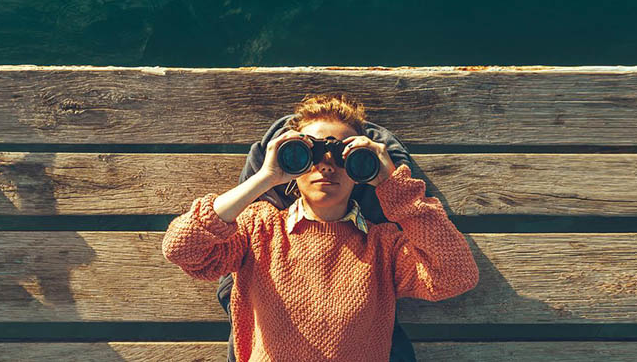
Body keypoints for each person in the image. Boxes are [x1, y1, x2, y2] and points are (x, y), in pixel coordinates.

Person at [161, 93, 480, 362]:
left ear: (361, 170)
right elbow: (182, 247)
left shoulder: (383, 245)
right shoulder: (259, 228)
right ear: (289, 163)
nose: (326, 164)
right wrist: (265, 178)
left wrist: (391, 183)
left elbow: (455, 276)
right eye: (308, 153)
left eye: (344, 155)